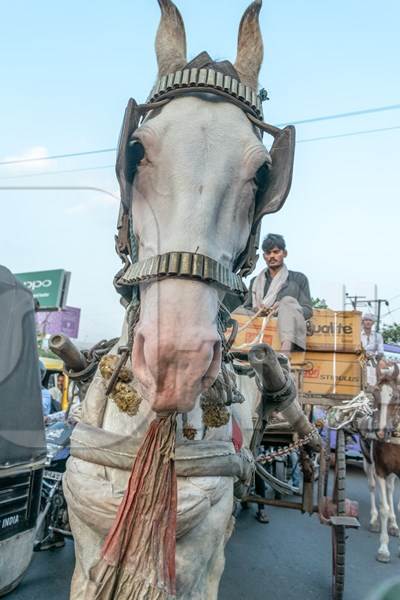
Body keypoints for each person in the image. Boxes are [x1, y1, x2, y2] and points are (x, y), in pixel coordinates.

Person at [246, 233, 313, 355]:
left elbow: (308, 310)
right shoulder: (255, 282)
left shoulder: (298, 279)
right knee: (235, 313)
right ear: (264, 256)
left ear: (285, 253)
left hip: (286, 330)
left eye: (276, 252)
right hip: (258, 331)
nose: (272, 256)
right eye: (268, 253)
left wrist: (283, 309)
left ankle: (283, 356)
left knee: (287, 301)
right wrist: (257, 309)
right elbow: (246, 308)